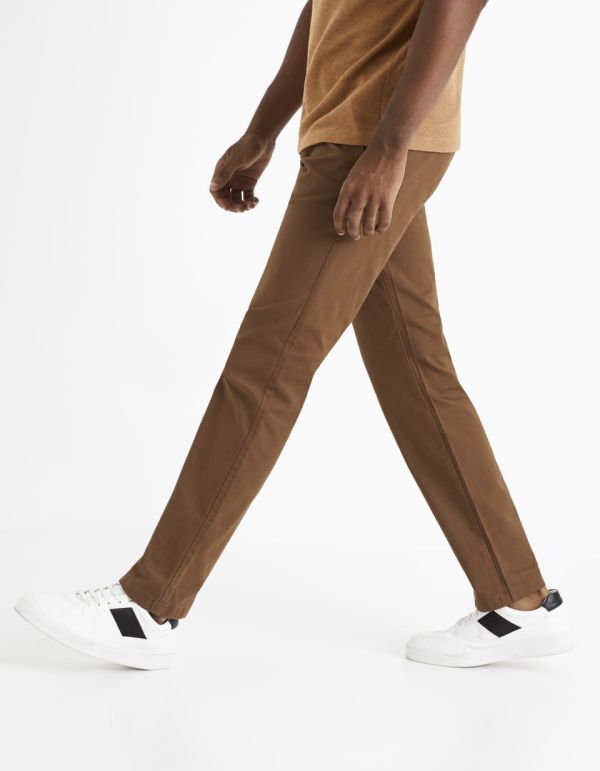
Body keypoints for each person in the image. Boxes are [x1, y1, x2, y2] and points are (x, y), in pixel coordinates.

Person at [15, 0, 573, 670]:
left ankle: (148, 605)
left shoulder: (383, 140)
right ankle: (517, 597)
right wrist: (263, 131)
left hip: (374, 138)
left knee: (268, 364)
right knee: (415, 371)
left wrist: (389, 147)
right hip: (352, 131)